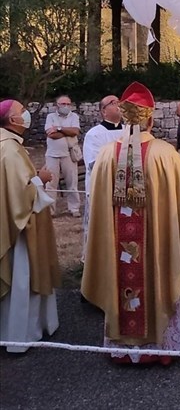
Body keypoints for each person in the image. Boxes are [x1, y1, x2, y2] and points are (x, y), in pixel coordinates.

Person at [81, 82, 180, 365]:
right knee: (154, 274)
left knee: (122, 278)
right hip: (155, 246)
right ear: (151, 119)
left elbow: (95, 202)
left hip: (117, 246)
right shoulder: (165, 153)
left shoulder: (107, 154)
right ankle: (160, 347)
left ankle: (123, 348)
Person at [0, 99, 60, 353]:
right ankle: (22, 334)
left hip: (11, 223)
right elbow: (19, 196)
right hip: (21, 230)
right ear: (12, 120)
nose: (25, 114)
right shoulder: (10, 150)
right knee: (23, 279)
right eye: (21, 111)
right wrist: (41, 178)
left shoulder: (8, 145)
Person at [82, 95, 124, 259]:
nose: (118, 105)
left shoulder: (128, 130)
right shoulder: (95, 134)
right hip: (101, 188)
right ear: (103, 111)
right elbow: (93, 163)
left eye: (118, 101)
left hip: (124, 189)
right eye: (113, 103)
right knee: (98, 228)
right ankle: (92, 261)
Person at [45, 94, 81, 217]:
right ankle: (50, 210)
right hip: (52, 154)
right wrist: (67, 132)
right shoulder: (50, 117)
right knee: (51, 183)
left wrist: (59, 128)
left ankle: (74, 209)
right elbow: (51, 134)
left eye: (68, 104)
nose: (66, 106)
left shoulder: (74, 116)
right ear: (57, 105)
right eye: (63, 104)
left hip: (69, 154)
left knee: (72, 182)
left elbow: (75, 131)